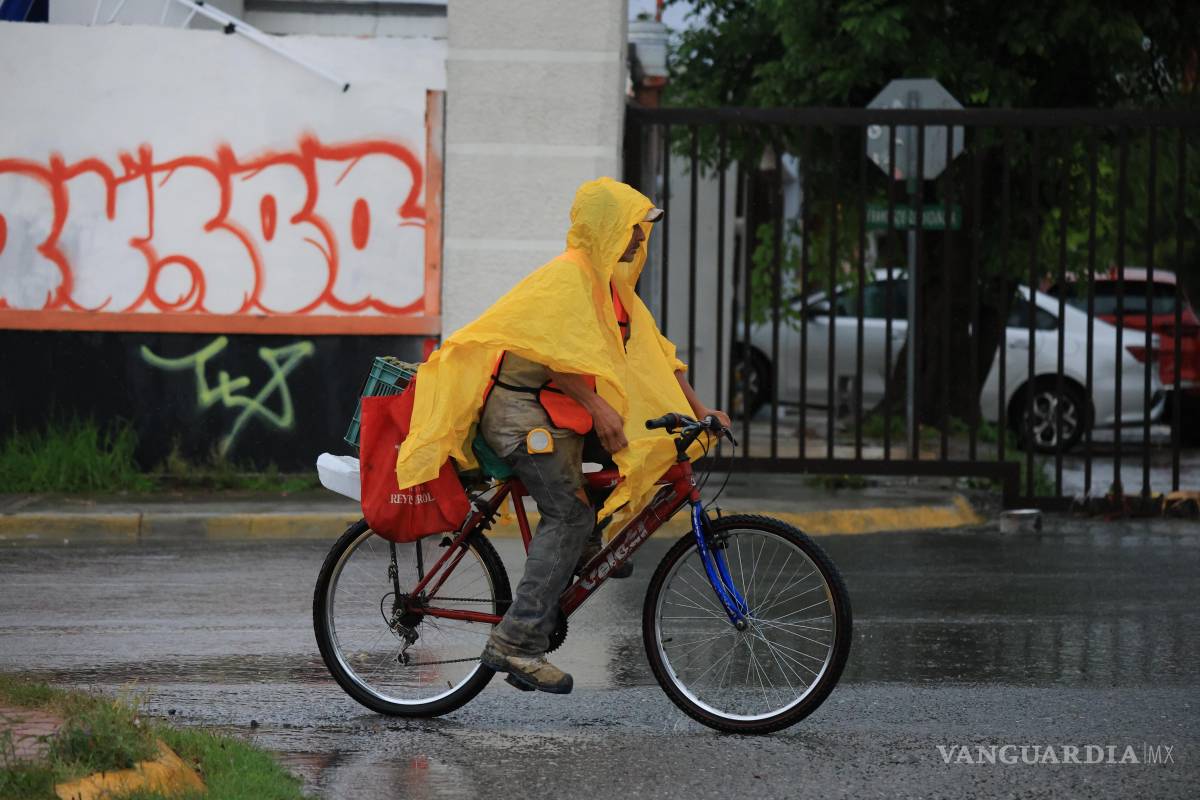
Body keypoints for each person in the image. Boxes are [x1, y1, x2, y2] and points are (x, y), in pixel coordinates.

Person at [395, 177, 729, 695]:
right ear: (606, 230)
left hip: (557, 415)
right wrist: (598, 407)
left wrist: (701, 409)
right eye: (633, 229)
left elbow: (657, 355)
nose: (641, 239)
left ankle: (579, 549)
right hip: (519, 414)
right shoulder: (567, 279)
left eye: (642, 230)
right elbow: (554, 352)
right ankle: (517, 642)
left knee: (641, 447)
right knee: (568, 512)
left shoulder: (612, 290)